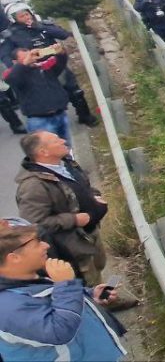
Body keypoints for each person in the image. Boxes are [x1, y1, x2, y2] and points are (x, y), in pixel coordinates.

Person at [0, 221, 127, 361]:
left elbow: (54, 301)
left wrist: (90, 295)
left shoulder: (28, 279)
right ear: (14, 258)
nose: (46, 245)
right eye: (37, 243)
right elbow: (58, 331)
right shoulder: (6, 308)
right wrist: (66, 284)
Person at [15, 132, 108, 284]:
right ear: (43, 152)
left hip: (90, 234)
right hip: (74, 246)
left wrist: (93, 196)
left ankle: (106, 297)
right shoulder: (33, 186)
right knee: (89, 280)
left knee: (98, 267)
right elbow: (35, 223)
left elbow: (81, 185)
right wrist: (73, 219)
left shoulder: (65, 163)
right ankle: (99, 304)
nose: (63, 140)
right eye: (56, 140)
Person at [1, 4, 98, 127]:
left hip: (54, 64)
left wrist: (40, 27)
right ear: (14, 19)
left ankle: (84, 116)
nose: (26, 17)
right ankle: (49, 124)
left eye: (27, 14)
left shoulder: (42, 26)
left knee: (75, 91)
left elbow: (64, 34)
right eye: (22, 16)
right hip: (33, 70)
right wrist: (19, 66)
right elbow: (5, 55)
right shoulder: (10, 35)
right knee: (41, 99)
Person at [5, 48, 72, 147]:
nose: (31, 59)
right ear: (15, 62)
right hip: (39, 121)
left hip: (60, 114)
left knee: (66, 148)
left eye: (31, 55)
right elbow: (11, 79)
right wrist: (24, 64)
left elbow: (60, 65)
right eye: (26, 57)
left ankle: (70, 162)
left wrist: (61, 53)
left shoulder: (43, 67)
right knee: (47, 151)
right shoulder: (14, 74)